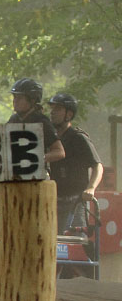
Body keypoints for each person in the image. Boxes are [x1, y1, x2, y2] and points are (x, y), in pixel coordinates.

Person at [47, 93, 103, 233]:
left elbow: (97, 165)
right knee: (52, 241)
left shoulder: (78, 138)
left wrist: (91, 188)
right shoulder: (51, 139)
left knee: (75, 240)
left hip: (76, 201)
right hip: (55, 199)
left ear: (69, 114)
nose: (53, 112)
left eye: (58, 109)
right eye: (52, 109)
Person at [6, 78, 65, 164]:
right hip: (14, 173)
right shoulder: (14, 120)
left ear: (32, 100)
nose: (15, 101)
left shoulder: (41, 121)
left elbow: (59, 152)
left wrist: (36, 158)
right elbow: (2, 147)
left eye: (20, 98)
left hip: (37, 175)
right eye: (14, 97)